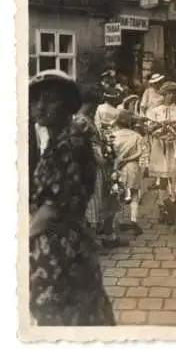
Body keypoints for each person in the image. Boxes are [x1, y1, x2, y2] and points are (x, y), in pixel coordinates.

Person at [29, 69, 115, 325]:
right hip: (54, 243)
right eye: (37, 100)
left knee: (63, 315)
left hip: (62, 249)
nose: (41, 106)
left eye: (50, 99)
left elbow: (53, 210)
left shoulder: (72, 145)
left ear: (67, 105)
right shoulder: (55, 142)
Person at [146, 81, 176, 223]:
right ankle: (163, 207)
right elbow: (150, 128)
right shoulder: (155, 111)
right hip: (160, 147)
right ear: (163, 95)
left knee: (175, 176)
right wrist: (160, 133)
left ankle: (175, 205)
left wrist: (174, 134)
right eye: (168, 93)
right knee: (162, 178)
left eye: (173, 94)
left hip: (175, 146)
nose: (171, 96)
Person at [73, 84, 107, 233]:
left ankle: (94, 227)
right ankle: (90, 230)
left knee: (97, 194)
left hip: (95, 158)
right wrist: (96, 158)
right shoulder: (81, 121)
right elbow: (82, 144)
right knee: (93, 195)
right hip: (91, 161)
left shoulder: (85, 118)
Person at [112, 110, 144, 235]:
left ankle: (118, 221)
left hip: (118, 167)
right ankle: (134, 221)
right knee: (134, 194)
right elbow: (140, 152)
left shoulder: (113, 135)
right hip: (133, 166)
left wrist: (120, 160)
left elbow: (111, 152)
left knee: (119, 194)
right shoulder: (136, 136)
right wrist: (129, 158)